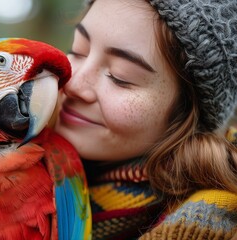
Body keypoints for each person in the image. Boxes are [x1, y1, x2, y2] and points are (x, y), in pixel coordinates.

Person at [53, 0, 237, 239]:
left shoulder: (208, 224)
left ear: (185, 116)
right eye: (78, 50)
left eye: (120, 76)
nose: (73, 84)